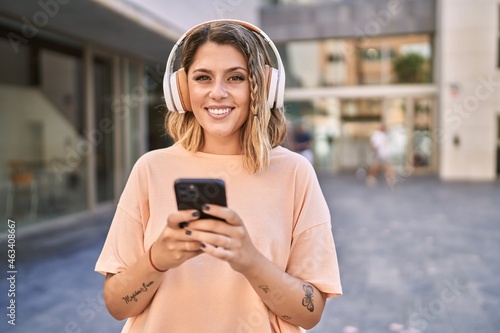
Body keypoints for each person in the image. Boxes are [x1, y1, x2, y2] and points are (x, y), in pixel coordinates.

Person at [95, 19, 342, 333]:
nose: (218, 93)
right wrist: (157, 258)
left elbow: (310, 314)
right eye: (203, 78)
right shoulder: (150, 169)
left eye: (236, 77)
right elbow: (118, 306)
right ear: (183, 90)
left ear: (263, 87)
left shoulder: (295, 174)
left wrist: (250, 261)